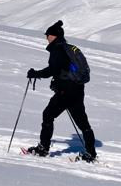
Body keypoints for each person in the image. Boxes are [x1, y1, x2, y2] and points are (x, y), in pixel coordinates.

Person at [25, 20, 97, 162]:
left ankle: (43, 149)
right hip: (77, 89)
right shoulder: (66, 48)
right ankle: (90, 153)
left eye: (48, 35)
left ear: (54, 36)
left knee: (48, 115)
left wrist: (36, 73)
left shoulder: (58, 50)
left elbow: (53, 70)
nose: (47, 37)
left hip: (65, 91)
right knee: (83, 123)